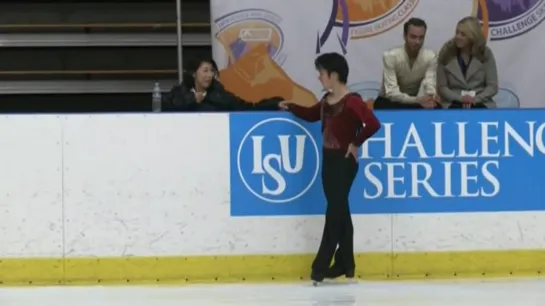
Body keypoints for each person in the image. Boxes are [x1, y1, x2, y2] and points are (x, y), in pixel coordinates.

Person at [279, 52, 381, 284]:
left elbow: (373, 124)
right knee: (341, 213)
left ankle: (320, 267)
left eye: (321, 73)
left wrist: (355, 143)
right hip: (328, 162)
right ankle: (347, 266)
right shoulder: (326, 101)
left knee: (334, 214)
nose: (319, 77)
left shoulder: (352, 101)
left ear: (334, 75)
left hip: (344, 164)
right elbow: (311, 114)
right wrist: (290, 107)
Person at [161, 57, 283, 112]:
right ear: (194, 73)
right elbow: (163, 107)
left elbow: (248, 108)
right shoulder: (180, 92)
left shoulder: (220, 96)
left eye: (211, 71)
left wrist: (275, 104)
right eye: (205, 71)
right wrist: (192, 99)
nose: (209, 75)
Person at [374, 17, 441, 109]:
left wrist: (429, 97)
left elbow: (429, 84)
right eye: (413, 37)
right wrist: (417, 100)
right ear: (405, 36)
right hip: (390, 101)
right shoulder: (390, 56)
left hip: (415, 100)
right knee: (383, 105)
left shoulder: (431, 56)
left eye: (421, 38)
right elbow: (392, 93)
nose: (417, 42)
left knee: (436, 108)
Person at [436, 16, 498, 109]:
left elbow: (492, 86)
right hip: (454, 101)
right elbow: (442, 87)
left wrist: (475, 99)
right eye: (457, 32)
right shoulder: (446, 53)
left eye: (463, 34)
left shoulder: (485, 53)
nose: (458, 37)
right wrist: (461, 99)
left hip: (480, 101)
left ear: (473, 36)